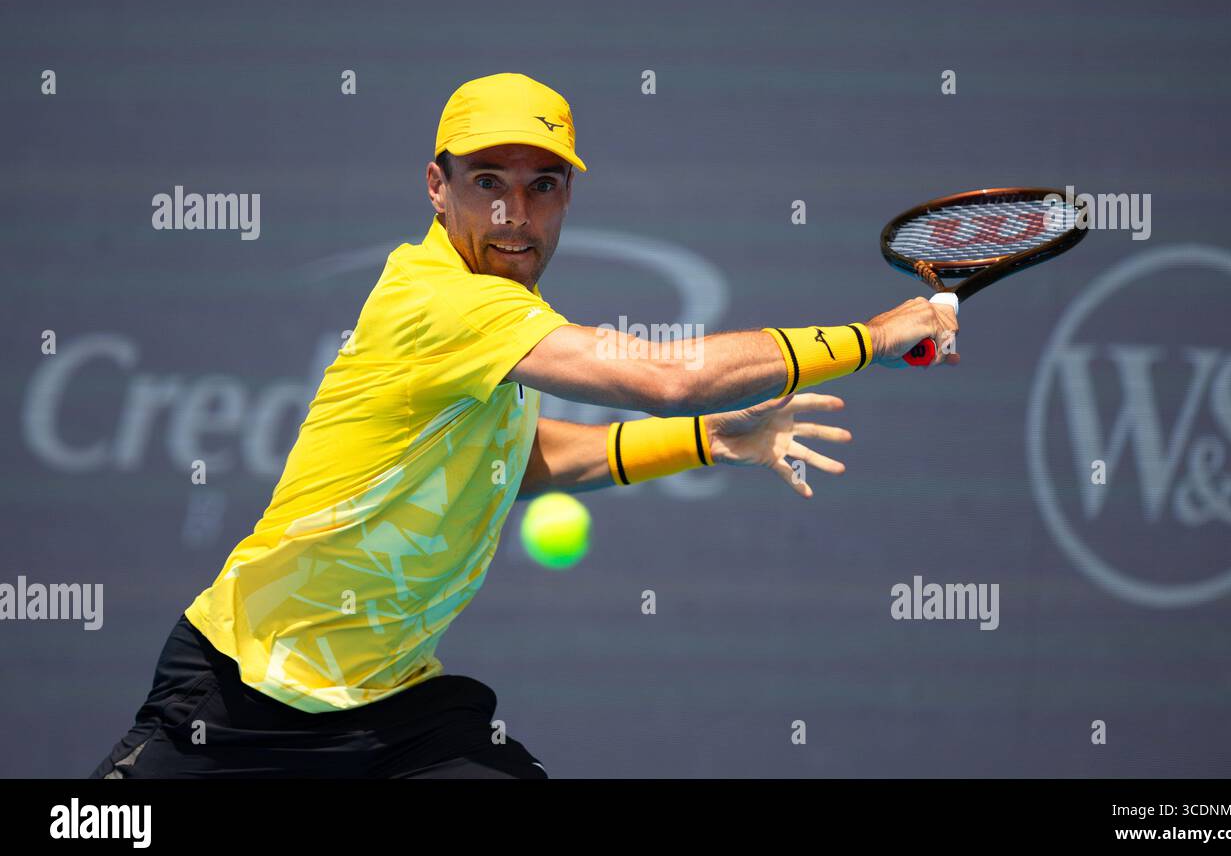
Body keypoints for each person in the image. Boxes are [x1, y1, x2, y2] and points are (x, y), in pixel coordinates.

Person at [90, 72, 958, 779]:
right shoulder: (441, 302)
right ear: (438, 188)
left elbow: (524, 459)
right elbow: (668, 375)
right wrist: (872, 338)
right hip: (239, 698)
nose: (516, 214)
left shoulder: (502, 315)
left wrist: (711, 439)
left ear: (568, 195)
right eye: (489, 184)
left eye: (543, 186)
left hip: (391, 708)